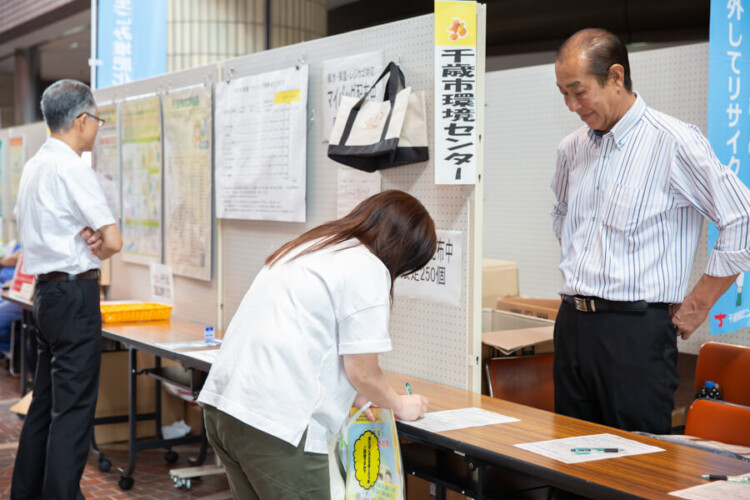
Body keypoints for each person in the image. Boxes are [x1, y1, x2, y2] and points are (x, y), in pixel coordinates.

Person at [551, 28, 750, 435]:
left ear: (616, 76)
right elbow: (562, 215)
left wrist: (699, 303)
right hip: (572, 324)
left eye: (579, 92)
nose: (571, 106)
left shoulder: (674, 142)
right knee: (568, 456)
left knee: (635, 462)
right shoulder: (571, 148)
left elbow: (742, 219)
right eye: (563, 94)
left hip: (634, 334)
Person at [198, 190, 436, 499]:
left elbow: (306, 339)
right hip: (277, 426)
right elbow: (363, 371)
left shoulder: (310, 247)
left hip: (225, 409)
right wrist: (401, 405)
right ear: (404, 251)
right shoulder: (367, 267)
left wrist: (357, 394)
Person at [11, 79, 123, 500]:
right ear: (81, 120)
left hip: (43, 296)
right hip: (74, 297)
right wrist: (99, 242)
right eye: (97, 120)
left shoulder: (35, 165)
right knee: (72, 413)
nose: (96, 127)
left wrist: (89, 236)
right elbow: (113, 241)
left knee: (43, 406)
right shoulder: (73, 167)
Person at [0, 243, 23, 353]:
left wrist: (2, 262)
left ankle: (9, 350)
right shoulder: (18, 244)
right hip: (5, 288)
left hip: (17, 293)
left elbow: (17, 258)